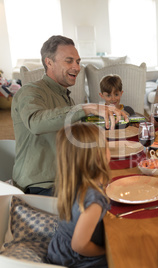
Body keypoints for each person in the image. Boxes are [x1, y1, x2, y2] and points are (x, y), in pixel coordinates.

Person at [11, 35, 128, 195]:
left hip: (69, 178)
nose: (77, 67)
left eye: (78, 62)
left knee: (121, 183)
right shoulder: (30, 91)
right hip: (41, 186)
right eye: (69, 61)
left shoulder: (67, 99)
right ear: (49, 62)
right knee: (103, 201)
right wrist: (86, 108)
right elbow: (36, 122)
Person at [46, 123, 110, 267]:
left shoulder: (72, 182)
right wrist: (105, 251)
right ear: (99, 157)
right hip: (74, 259)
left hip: (59, 250)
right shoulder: (94, 201)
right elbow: (79, 245)